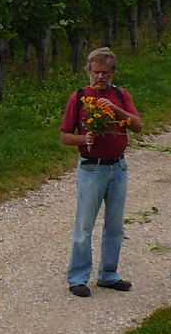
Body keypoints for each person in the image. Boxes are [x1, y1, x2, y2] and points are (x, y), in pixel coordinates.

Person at [60, 46, 143, 297]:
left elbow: (137, 126)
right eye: (96, 72)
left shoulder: (120, 95)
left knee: (115, 225)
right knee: (85, 226)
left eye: (105, 72)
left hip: (118, 167)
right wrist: (84, 139)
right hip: (91, 168)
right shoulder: (79, 97)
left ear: (112, 73)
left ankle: (108, 274)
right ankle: (77, 277)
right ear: (89, 71)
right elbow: (65, 136)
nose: (100, 77)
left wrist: (116, 110)